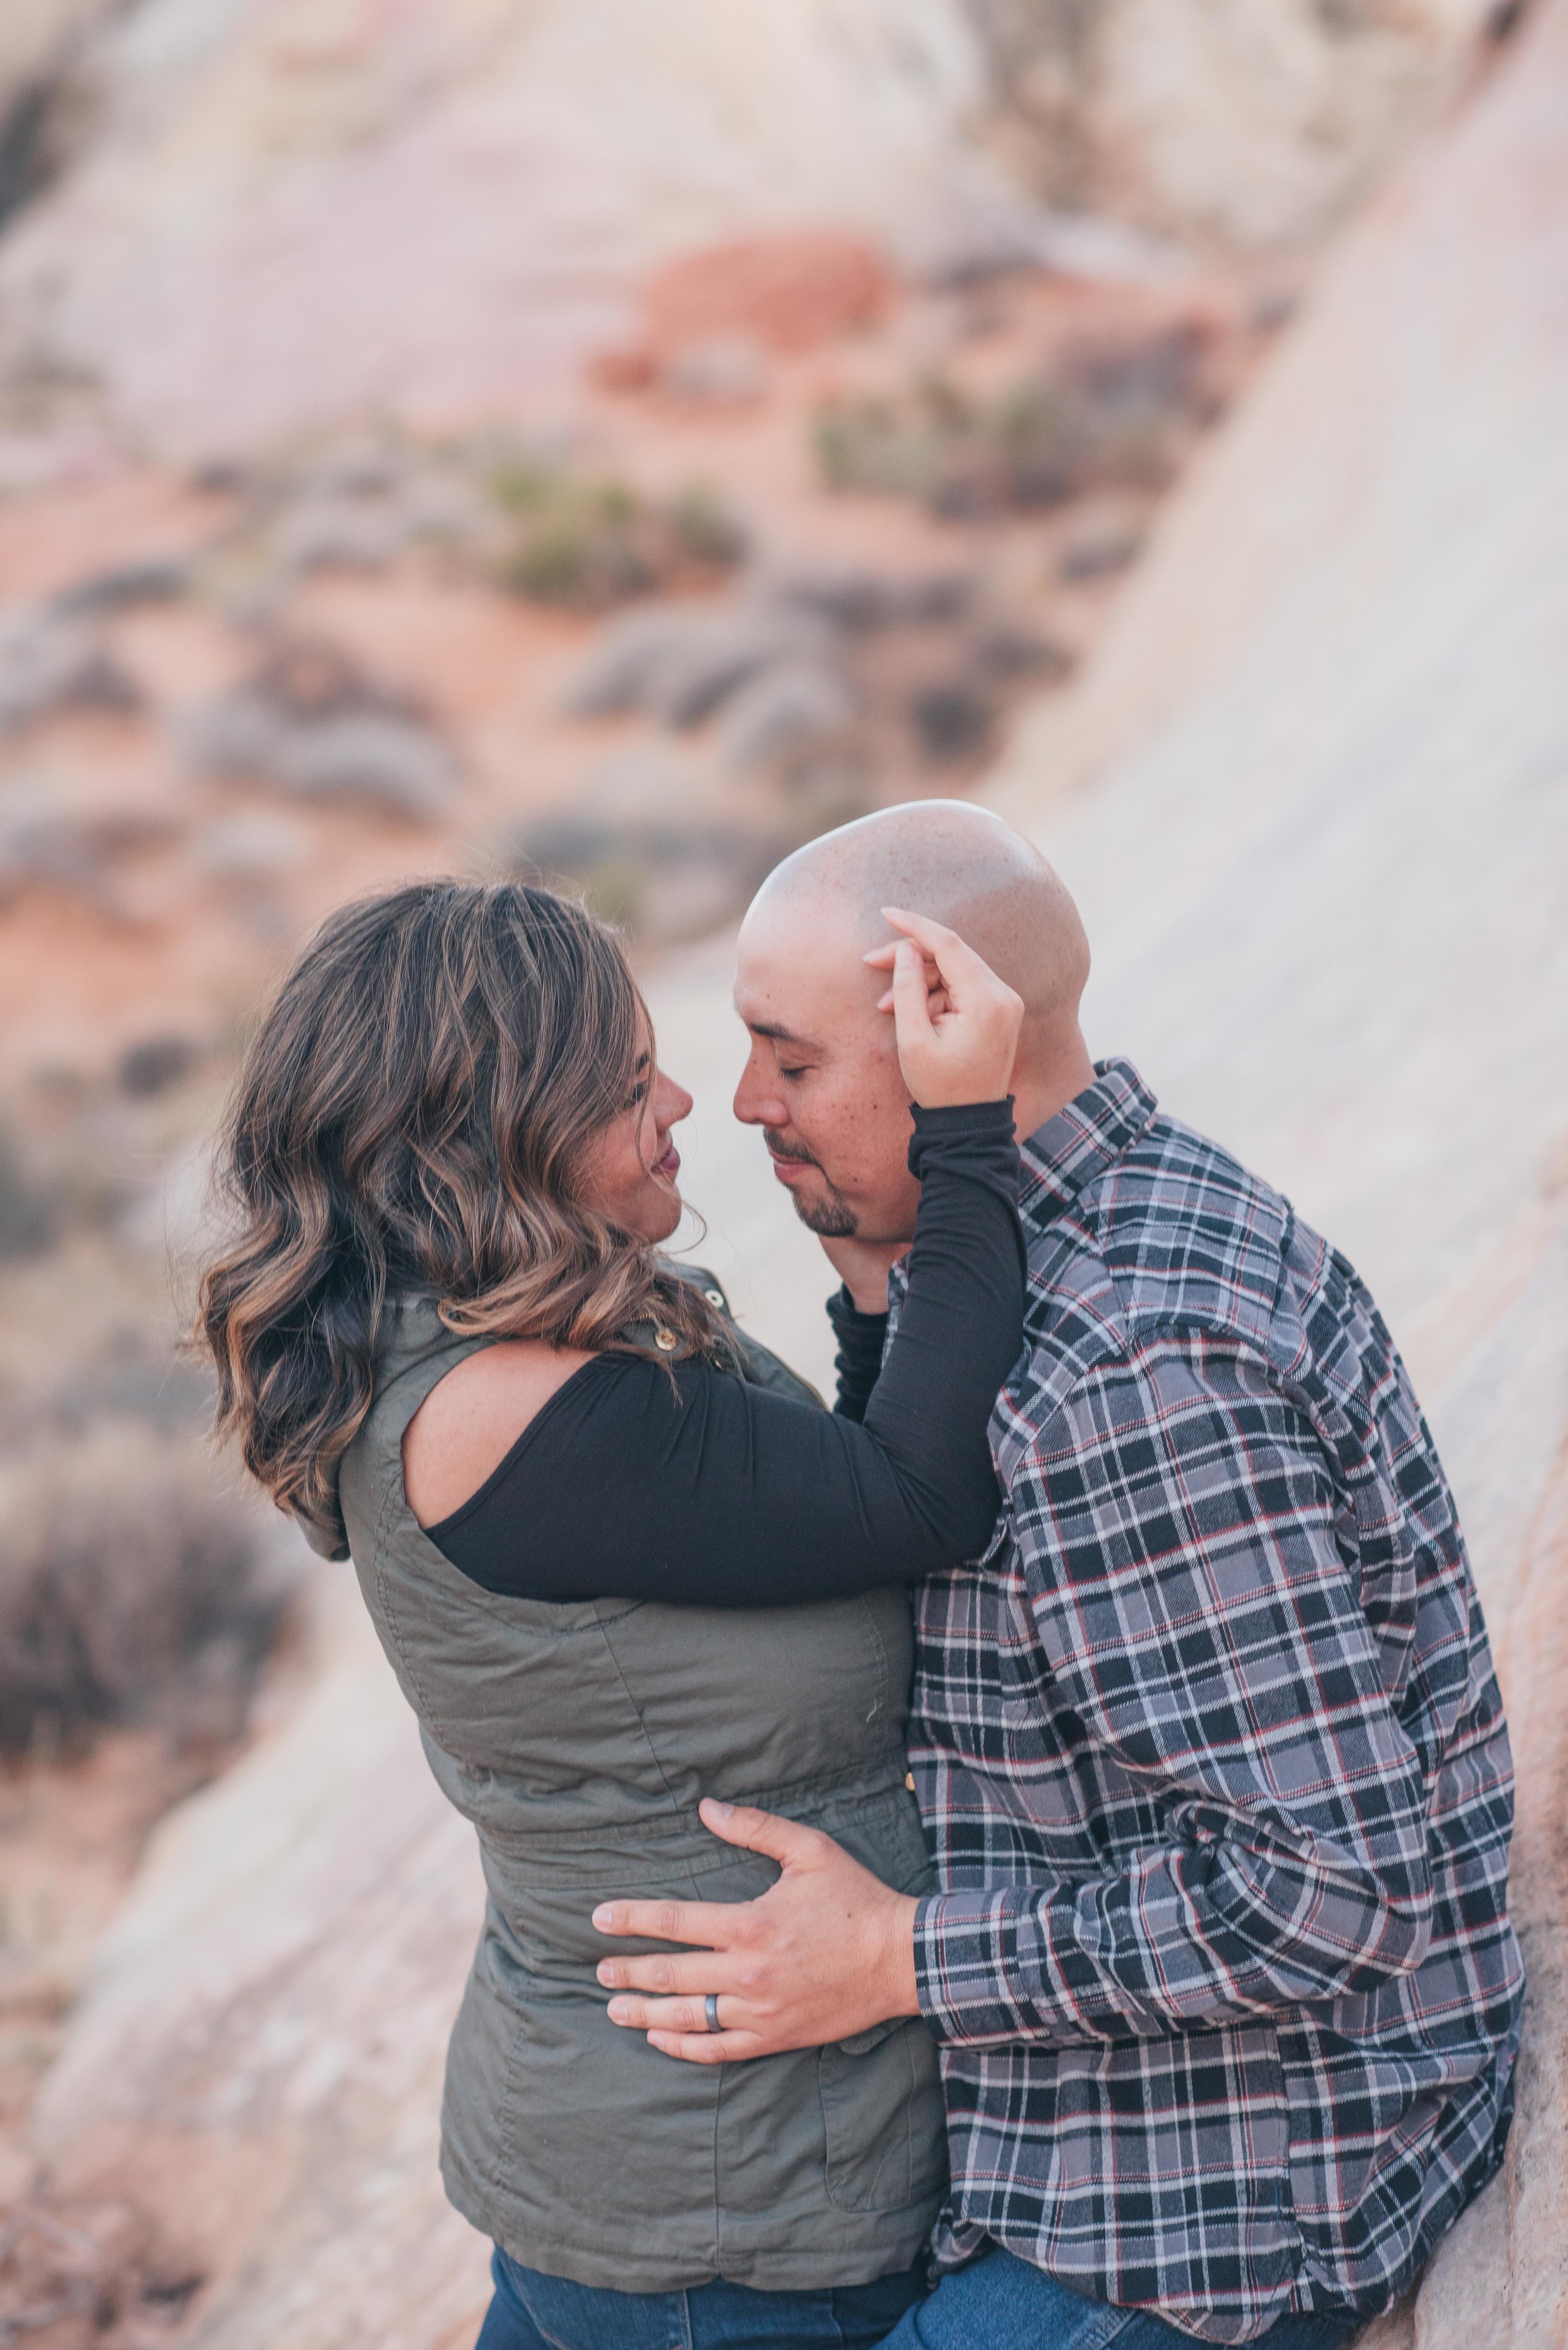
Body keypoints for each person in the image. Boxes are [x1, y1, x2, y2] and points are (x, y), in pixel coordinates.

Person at [591, 802, 1525, 2350]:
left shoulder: (1123, 1371)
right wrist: (884, 1287)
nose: (742, 1101)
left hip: (1215, 2204)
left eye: (793, 1057)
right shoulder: (1083, 1225)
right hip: (1114, 2133)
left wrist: (890, 1957)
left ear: (947, 1027)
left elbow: (1324, 1892)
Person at [196, 876, 1032, 2350]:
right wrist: (961, 1144)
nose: (683, 1097)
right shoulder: (520, 1415)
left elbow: (822, 1502)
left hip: (655, 2167)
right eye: (619, 1078)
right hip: (724, 2220)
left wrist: (862, 1291)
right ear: (498, 1131)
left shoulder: (479, 1349)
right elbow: (914, 1503)